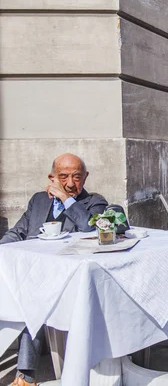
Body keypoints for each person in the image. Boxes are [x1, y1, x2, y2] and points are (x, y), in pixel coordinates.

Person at [2, 153, 108, 386]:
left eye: (77, 177)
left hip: (66, 279)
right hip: (29, 272)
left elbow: (91, 230)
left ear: (85, 177)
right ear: (52, 177)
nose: (71, 183)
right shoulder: (39, 200)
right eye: (63, 177)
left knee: (32, 297)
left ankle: (25, 377)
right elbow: (19, 231)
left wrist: (66, 199)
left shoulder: (95, 202)